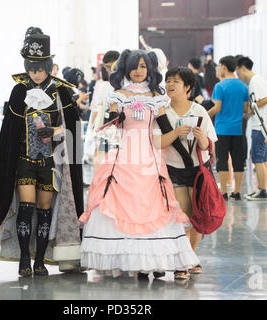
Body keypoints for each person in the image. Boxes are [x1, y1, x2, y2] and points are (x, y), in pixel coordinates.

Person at [0, 27, 84, 277]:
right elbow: (9, 133)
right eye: (31, 68)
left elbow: (73, 132)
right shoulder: (19, 91)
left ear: (49, 66)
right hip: (23, 161)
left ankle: (40, 261)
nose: (36, 73)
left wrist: (55, 132)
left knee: (44, 211)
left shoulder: (62, 93)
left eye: (40, 68)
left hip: (50, 163)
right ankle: (24, 260)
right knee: (25, 208)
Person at [79, 49, 200, 280]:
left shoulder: (157, 96)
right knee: (117, 200)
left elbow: (165, 126)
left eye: (143, 66)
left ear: (149, 69)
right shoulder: (118, 95)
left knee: (152, 204)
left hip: (149, 158)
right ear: (126, 68)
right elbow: (109, 124)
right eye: (134, 66)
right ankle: (129, 260)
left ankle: (151, 263)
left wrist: (186, 156)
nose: (138, 71)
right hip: (124, 155)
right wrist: (116, 119)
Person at [154, 66, 217, 277]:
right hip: (174, 169)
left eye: (176, 81)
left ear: (187, 87)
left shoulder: (199, 111)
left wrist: (202, 140)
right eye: (168, 80)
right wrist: (176, 133)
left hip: (198, 170)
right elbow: (157, 142)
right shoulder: (162, 111)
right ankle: (182, 260)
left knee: (198, 216)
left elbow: (210, 146)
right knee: (184, 216)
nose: (170, 85)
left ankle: (190, 258)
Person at [236, 56, 267, 200]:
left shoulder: (255, 81)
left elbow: (265, 99)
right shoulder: (255, 81)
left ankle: (262, 190)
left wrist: (249, 111)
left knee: (257, 158)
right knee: (261, 158)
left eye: (237, 70)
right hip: (263, 125)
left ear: (243, 68)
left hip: (261, 126)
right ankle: (261, 188)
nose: (237, 74)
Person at [208, 56, 250, 200]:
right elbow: (245, 109)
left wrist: (205, 114)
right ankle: (237, 192)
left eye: (219, 66)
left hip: (222, 129)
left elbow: (217, 108)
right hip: (238, 129)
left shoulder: (220, 86)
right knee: (238, 161)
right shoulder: (243, 86)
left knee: (222, 160)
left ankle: (224, 192)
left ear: (224, 67)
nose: (218, 69)